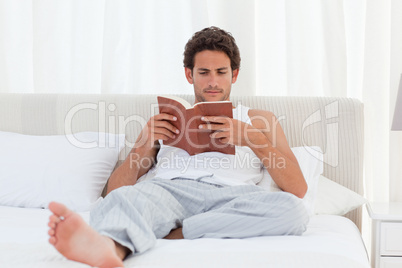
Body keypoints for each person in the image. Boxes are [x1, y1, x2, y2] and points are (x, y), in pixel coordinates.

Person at [47, 26, 309, 268]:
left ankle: (176, 233)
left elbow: (297, 189)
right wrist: (144, 143)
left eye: (221, 72)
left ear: (235, 74)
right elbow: (115, 191)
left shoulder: (259, 119)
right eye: (204, 72)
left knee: (294, 212)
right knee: (121, 201)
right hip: (170, 192)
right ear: (189, 74)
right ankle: (109, 251)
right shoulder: (167, 117)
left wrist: (253, 138)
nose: (213, 82)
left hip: (234, 197)